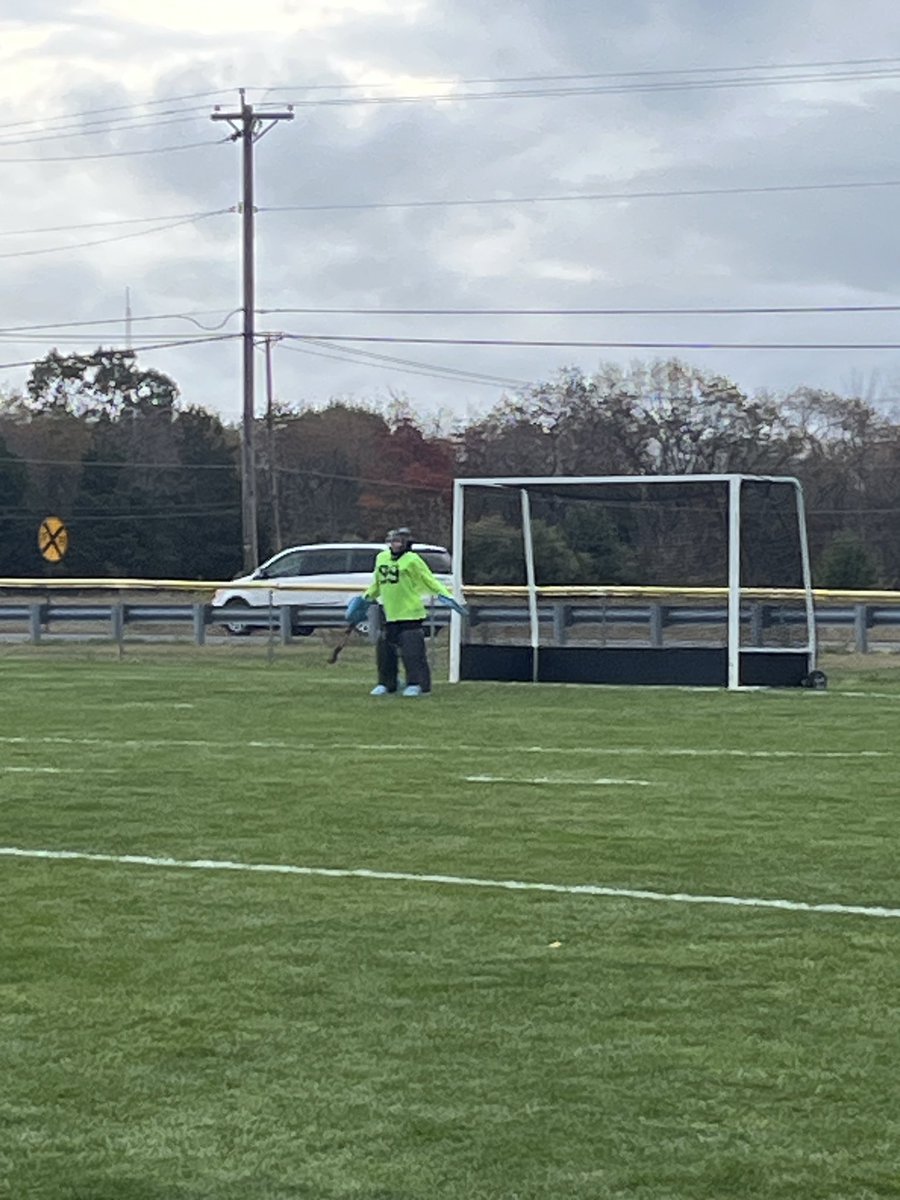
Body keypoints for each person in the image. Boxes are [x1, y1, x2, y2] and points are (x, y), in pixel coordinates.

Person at [345, 527, 467, 697]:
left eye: (399, 541)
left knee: (413, 652)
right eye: (392, 541)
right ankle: (387, 683)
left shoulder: (412, 560)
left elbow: (428, 580)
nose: (395, 545)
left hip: (410, 613)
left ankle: (417, 684)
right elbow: (378, 583)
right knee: (385, 651)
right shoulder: (382, 558)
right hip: (390, 612)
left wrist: (446, 596)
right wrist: (364, 600)